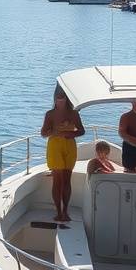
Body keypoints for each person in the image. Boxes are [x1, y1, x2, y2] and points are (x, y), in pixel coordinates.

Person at [41, 86, 85, 222]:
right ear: (55, 98)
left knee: (67, 179)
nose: (60, 98)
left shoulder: (74, 113)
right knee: (57, 180)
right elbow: (43, 133)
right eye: (58, 96)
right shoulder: (50, 114)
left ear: (67, 98)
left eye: (63, 96)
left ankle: (65, 211)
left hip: (69, 145)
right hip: (54, 146)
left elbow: (82, 131)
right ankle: (58, 212)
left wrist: (70, 133)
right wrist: (54, 132)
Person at [119, 99, 136, 172]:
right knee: (130, 171)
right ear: (132, 103)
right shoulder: (125, 117)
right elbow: (121, 133)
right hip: (130, 150)